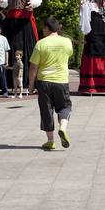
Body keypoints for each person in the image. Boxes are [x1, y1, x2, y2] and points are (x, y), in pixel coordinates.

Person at [0, 0, 43, 96]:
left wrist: (33, 3)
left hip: (25, 20)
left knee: (29, 51)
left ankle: (30, 84)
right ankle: (9, 85)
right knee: (9, 51)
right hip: (11, 20)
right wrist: (1, 1)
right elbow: (3, 0)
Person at [28, 17, 73, 151]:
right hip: (61, 81)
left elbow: (33, 67)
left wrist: (31, 84)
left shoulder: (40, 44)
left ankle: (50, 141)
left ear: (47, 28)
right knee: (64, 106)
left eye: (44, 27)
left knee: (46, 111)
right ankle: (63, 128)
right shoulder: (67, 42)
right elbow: (68, 55)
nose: (43, 30)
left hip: (44, 82)